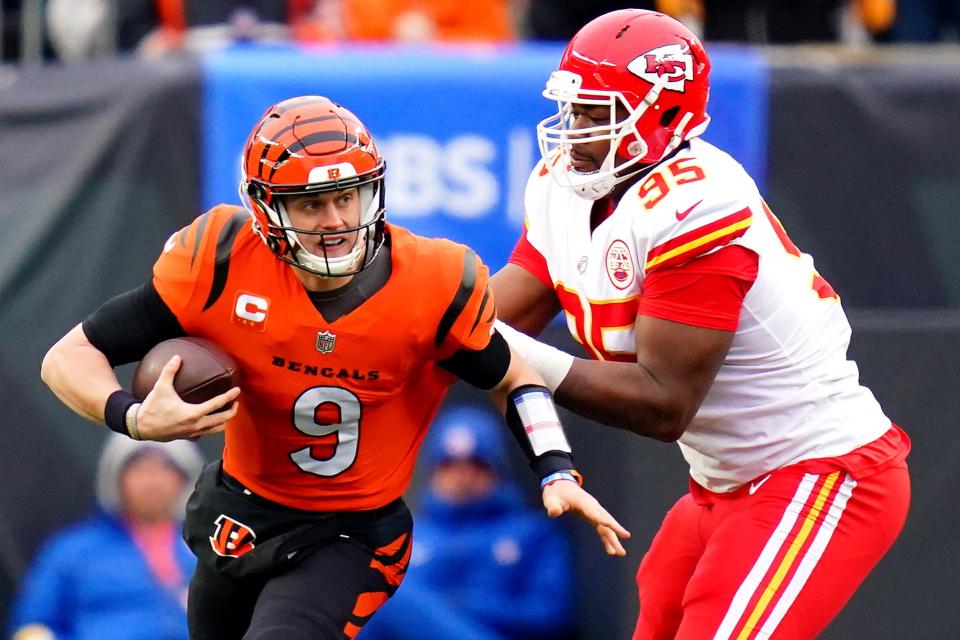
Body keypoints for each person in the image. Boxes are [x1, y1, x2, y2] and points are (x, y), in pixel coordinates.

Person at [40, 95, 629, 640]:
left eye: (347, 196)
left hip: (349, 532)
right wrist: (136, 418)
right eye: (311, 203)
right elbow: (66, 357)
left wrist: (555, 469)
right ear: (267, 209)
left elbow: (513, 376)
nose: (335, 219)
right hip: (240, 511)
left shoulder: (433, 282)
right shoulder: (219, 259)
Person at [490, 9, 911, 640]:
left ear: (662, 114)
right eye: (574, 109)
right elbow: (496, 312)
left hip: (820, 474)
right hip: (723, 485)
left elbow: (663, 404)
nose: (573, 131)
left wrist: (507, 353)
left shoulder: (698, 204)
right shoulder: (564, 185)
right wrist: (414, 315)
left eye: (594, 114)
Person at [359, 404, 576, 640]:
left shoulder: (531, 533)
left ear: (496, 470)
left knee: (392, 597)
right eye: (449, 465)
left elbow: (551, 616)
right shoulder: (408, 535)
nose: (462, 477)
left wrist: (462, 604)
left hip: (492, 634)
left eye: (475, 464)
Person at [8, 435, 203, 640]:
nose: (152, 480)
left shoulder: (210, 549)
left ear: (184, 477)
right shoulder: (72, 552)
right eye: (138, 467)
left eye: (166, 468)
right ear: (115, 477)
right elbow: (29, 628)